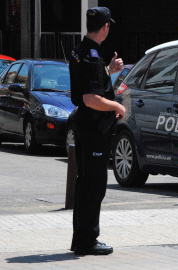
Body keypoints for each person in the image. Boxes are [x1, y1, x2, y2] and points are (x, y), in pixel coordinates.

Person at [69, 6, 125, 256]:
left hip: (85, 125)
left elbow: (91, 82)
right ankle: (87, 240)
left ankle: (80, 238)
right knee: (94, 184)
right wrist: (117, 106)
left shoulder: (83, 51)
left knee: (85, 183)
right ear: (105, 27)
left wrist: (109, 71)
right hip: (94, 127)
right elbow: (91, 98)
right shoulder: (92, 55)